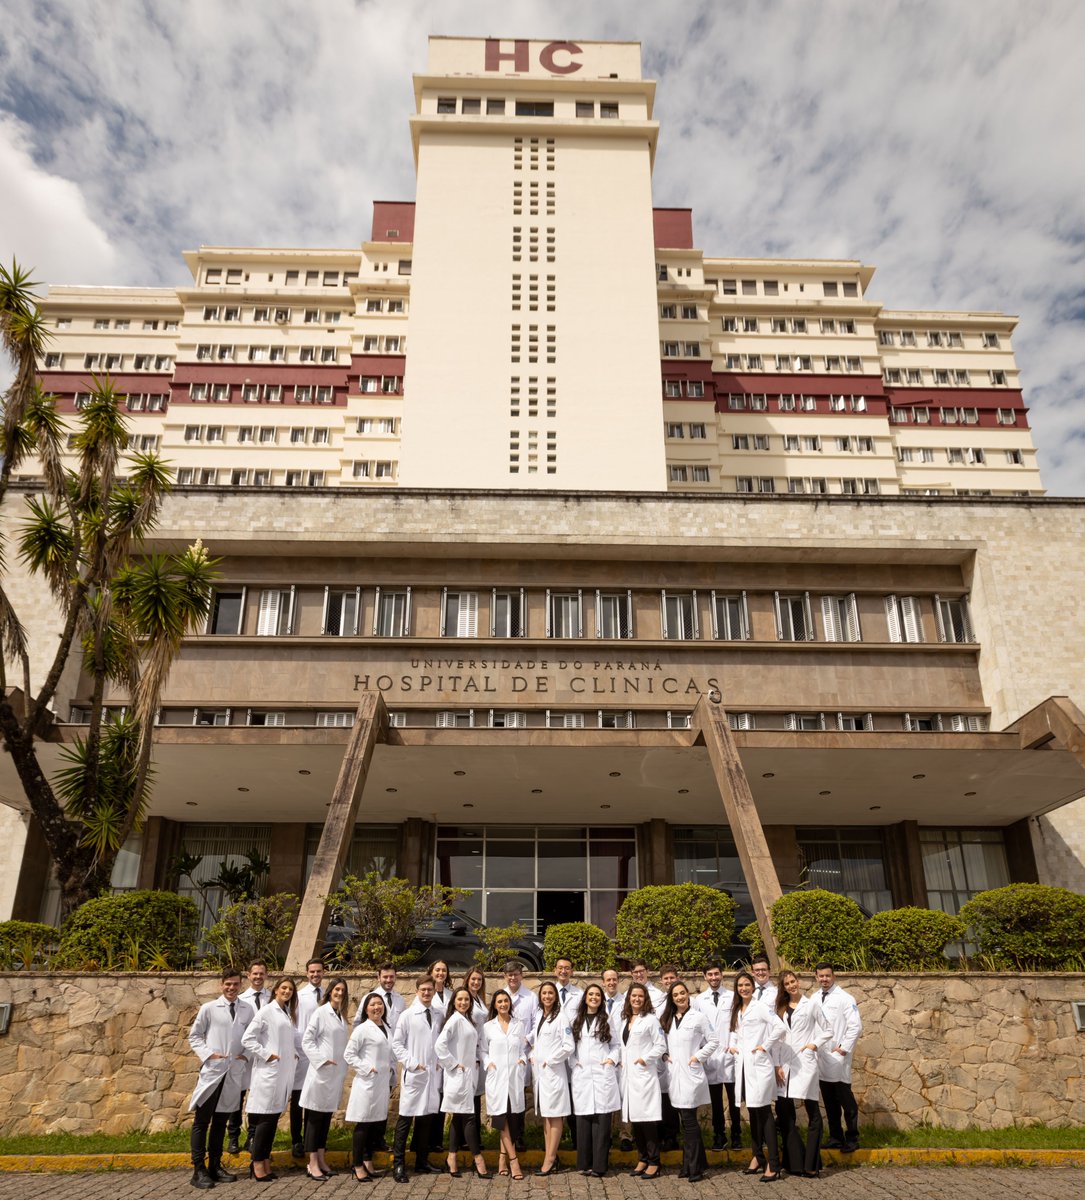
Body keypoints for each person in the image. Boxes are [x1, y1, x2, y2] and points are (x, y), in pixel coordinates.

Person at [187, 967, 254, 1189]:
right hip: (213, 1072)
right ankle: (198, 1170)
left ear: (240, 985)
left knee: (220, 1123)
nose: (232, 988)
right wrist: (209, 1055)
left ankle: (215, 1166)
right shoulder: (209, 1009)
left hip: (233, 1073)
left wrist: (246, 1055)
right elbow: (195, 1036)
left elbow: (253, 1037)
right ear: (221, 984)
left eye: (236, 984)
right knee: (202, 1122)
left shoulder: (247, 1010)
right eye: (228, 984)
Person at [241, 976, 302, 1183]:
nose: (287, 992)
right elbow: (247, 1038)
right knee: (265, 1121)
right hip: (269, 1074)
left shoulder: (286, 1012)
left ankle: (265, 1161)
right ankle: (257, 1164)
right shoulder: (266, 1011)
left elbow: (285, 1039)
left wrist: (292, 1053)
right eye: (284, 988)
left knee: (272, 1120)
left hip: (281, 1074)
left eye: (290, 990)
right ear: (276, 989)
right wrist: (267, 1054)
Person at [727, 970, 786, 1182]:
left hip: (759, 1066)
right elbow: (734, 1033)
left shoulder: (760, 1007)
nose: (743, 988)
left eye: (747, 985)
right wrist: (732, 1047)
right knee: (752, 1112)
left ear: (753, 987)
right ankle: (757, 1156)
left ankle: (774, 1164)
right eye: (740, 985)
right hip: (743, 1067)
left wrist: (764, 1047)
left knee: (764, 1113)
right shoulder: (737, 1009)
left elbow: (779, 1027)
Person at [773, 970, 832, 1178]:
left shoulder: (812, 1004)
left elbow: (828, 1030)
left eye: (793, 981)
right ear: (783, 987)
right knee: (785, 1112)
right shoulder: (779, 1007)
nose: (791, 985)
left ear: (798, 982)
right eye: (787, 983)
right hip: (785, 1066)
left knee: (812, 1111)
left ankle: (811, 1164)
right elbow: (778, 1039)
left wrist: (813, 1045)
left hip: (805, 1063)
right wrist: (777, 1064)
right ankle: (794, 1161)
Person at [660, 980, 716, 1183]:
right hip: (675, 1074)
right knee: (686, 1121)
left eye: (682, 993)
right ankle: (693, 1164)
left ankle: (694, 1168)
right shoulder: (667, 1019)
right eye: (675, 995)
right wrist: (665, 1055)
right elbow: (661, 1043)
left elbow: (714, 1041)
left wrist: (697, 1057)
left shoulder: (698, 1017)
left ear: (687, 994)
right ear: (671, 998)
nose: (680, 997)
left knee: (690, 1121)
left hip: (691, 1074)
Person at [390, 975, 444, 1182]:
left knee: (426, 1119)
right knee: (405, 1120)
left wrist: (439, 1062)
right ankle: (399, 1165)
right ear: (417, 991)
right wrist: (411, 1063)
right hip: (414, 1074)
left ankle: (422, 1161)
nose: (427, 993)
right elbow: (397, 1045)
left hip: (432, 1074)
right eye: (423, 990)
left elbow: (439, 1042)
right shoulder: (407, 1015)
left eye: (430, 990)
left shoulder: (438, 1014)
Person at [299, 977, 350, 1181]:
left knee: (325, 1119)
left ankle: (321, 1158)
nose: (339, 993)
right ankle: (312, 1163)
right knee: (314, 1119)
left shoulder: (341, 1016)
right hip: (320, 1074)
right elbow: (307, 1040)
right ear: (329, 992)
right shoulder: (321, 1013)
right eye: (336, 989)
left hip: (334, 1076)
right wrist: (322, 1061)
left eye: (342, 991)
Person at [435, 987, 489, 1179]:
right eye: (460, 999)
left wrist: (474, 1059)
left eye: (467, 1000)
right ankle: (478, 1160)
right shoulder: (455, 1020)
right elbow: (439, 1045)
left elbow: (468, 1044)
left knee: (458, 1118)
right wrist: (452, 1064)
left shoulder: (466, 1020)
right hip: (458, 1076)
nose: (464, 1002)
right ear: (454, 1002)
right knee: (468, 1118)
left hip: (467, 1075)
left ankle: (451, 1158)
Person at [571, 983, 621, 1177]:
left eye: (597, 995)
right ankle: (584, 1164)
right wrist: (574, 1062)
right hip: (582, 1074)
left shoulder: (607, 1019)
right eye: (590, 994)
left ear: (601, 999)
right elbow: (570, 1047)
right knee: (583, 1120)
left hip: (602, 1074)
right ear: (585, 998)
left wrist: (611, 1060)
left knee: (601, 1121)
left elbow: (616, 1045)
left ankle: (599, 1167)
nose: (594, 997)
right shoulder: (577, 1020)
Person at [344, 991, 394, 1184]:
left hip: (381, 1084)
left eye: (380, 1004)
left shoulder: (386, 1027)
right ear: (366, 1008)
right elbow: (349, 1055)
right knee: (363, 1124)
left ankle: (367, 1161)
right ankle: (357, 1165)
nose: (377, 1007)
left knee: (374, 1124)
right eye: (373, 1004)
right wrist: (366, 1068)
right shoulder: (362, 1029)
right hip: (367, 1083)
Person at [618, 983, 665, 1180]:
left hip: (644, 1075)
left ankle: (654, 1161)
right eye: (633, 996)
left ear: (645, 999)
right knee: (636, 1120)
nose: (636, 999)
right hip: (629, 1077)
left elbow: (661, 1045)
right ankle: (642, 1158)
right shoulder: (625, 1020)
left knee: (647, 1121)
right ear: (628, 998)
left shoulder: (651, 1020)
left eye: (640, 996)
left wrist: (644, 1059)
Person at [814, 962, 862, 1153]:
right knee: (829, 1100)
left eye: (827, 975)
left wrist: (843, 1049)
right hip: (821, 1057)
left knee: (845, 1098)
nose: (824, 979)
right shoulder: (814, 998)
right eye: (820, 976)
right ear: (816, 977)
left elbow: (855, 1026)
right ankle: (835, 1137)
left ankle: (852, 1137)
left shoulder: (845, 998)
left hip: (838, 1057)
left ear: (833, 976)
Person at [693, 960, 741, 1150]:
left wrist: (733, 1045)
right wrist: (702, 1052)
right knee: (715, 1102)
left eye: (716, 973)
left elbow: (737, 1023)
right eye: (710, 974)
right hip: (710, 1057)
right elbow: (698, 1028)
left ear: (722, 974)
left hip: (730, 1054)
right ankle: (719, 1135)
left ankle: (736, 1134)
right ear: (705, 977)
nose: (714, 977)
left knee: (734, 1099)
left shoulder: (731, 996)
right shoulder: (699, 1001)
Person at [482, 988, 529, 1180]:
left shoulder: (518, 1025)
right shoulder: (488, 1027)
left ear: (510, 1003)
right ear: (494, 1005)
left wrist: (522, 1060)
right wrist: (488, 1063)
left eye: (506, 1001)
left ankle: (502, 1158)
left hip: (514, 1078)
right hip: (497, 1077)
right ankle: (513, 1160)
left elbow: (523, 1049)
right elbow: (482, 1051)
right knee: (501, 1120)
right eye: (499, 1001)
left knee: (510, 1119)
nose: (503, 1004)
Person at [228, 959, 271, 1155]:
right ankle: (233, 1137)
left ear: (266, 975)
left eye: (261, 973)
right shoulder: (241, 999)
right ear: (248, 975)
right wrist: (243, 1053)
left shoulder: (272, 998)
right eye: (255, 974)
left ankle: (252, 1136)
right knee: (237, 1097)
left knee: (258, 1097)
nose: (258, 977)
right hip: (244, 1056)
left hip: (263, 1056)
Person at [532, 981, 574, 1176]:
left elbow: (568, 1046)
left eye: (550, 993)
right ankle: (550, 1155)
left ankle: (549, 1159)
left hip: (554, 1073)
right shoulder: (541, 1016)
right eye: (544, 993)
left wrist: (550, 1060)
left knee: (555, 1115)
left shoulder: (561, 1018)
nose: (547, 996)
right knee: (547, 1116)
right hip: (542, 1075)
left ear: (555, 997)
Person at [291, 958, 326, 1158]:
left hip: (321, 1056)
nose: (315, 975)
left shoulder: (327, 995)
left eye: (318, 971)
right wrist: (296, 1050)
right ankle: (296, 1140)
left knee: (314, 1099)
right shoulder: (300, 996)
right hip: (302, 1056)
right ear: (307, 973)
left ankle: (310, 1141)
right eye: (312, 972)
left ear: (323, 972)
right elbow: (294, 1024)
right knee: (298, 1099)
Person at [552, 956, 583, 1147]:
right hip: (553, 1052)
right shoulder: (548, 992)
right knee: (554, 1097)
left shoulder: (579, 994)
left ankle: (576, 1138)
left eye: (567, 968)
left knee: (574, 1095)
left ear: (572, 971)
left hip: (572, 1052)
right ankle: (554, 1140)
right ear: (555, 970)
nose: (563, 971)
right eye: (560, 968)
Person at [354, 962, 405, 1033]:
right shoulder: (368, 998)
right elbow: (358, 1023)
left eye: (391, 976)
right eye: (385, 977)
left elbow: (404, 1025)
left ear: (395, 977)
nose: (388, 980)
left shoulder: (400, 1000)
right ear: (378, 978)